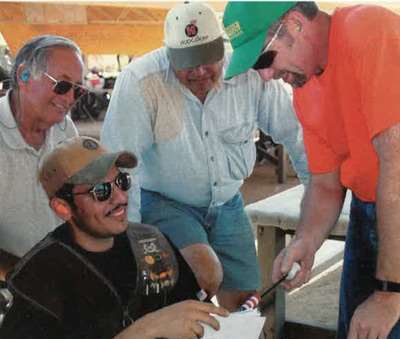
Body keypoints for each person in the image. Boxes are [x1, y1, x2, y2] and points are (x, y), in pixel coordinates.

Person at [101, 2, 308, 311]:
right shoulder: (141, 80)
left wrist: (318, 199)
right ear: (168, 54)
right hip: (166, 201)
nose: (199, 71)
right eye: (187, 63)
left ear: (220, 48)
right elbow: (120, 166)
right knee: (202, 274)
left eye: (206, 60)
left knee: (245, 300)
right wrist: (127, 240)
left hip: (228, 200)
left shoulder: (247, 72)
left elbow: (295, 132)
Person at [223, 1, 400, 338]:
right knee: (355, 329)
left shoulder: (368, 32)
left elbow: (397, 167)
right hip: (371, 210)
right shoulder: (305, 90)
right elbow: (325, 184)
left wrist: (391, 291)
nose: (265, 75)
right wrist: (306, 240)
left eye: (264, 59)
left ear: (294, 24)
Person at [0, 136, 228, 339]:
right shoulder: (40, 277)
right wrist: (143, 331)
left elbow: (203, 319)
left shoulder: (151, 243)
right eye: (100, 191)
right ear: (62, 207)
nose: (120, 198)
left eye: (122, 182)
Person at [0, 35, 86, 257]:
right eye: (63, 85)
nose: (69, 98)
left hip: (62, 265)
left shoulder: (65, 129)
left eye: (77, 90)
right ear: (24, 75)